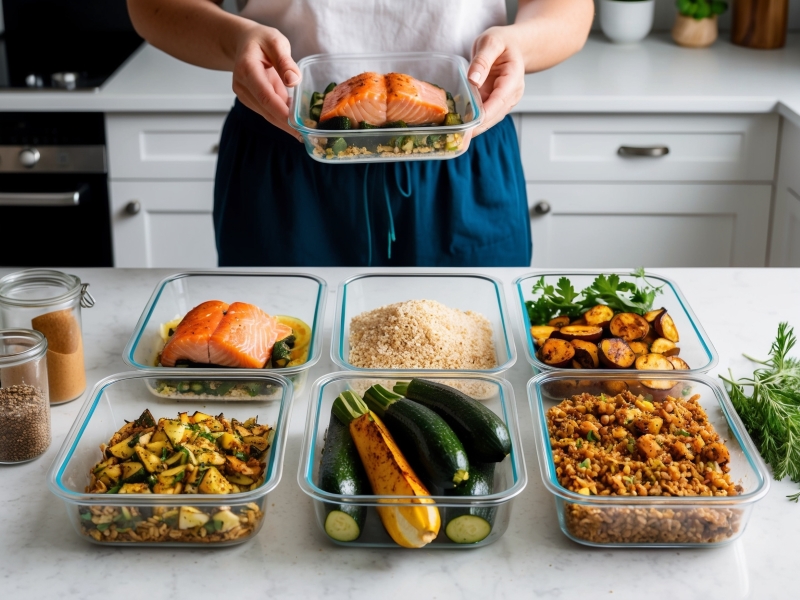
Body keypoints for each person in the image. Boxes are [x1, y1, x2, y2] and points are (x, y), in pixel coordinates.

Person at [128, 0, 593, 267]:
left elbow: (570, 9)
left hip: (459, 154)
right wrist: (236, 40)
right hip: (289, 151)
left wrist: (522, 43)